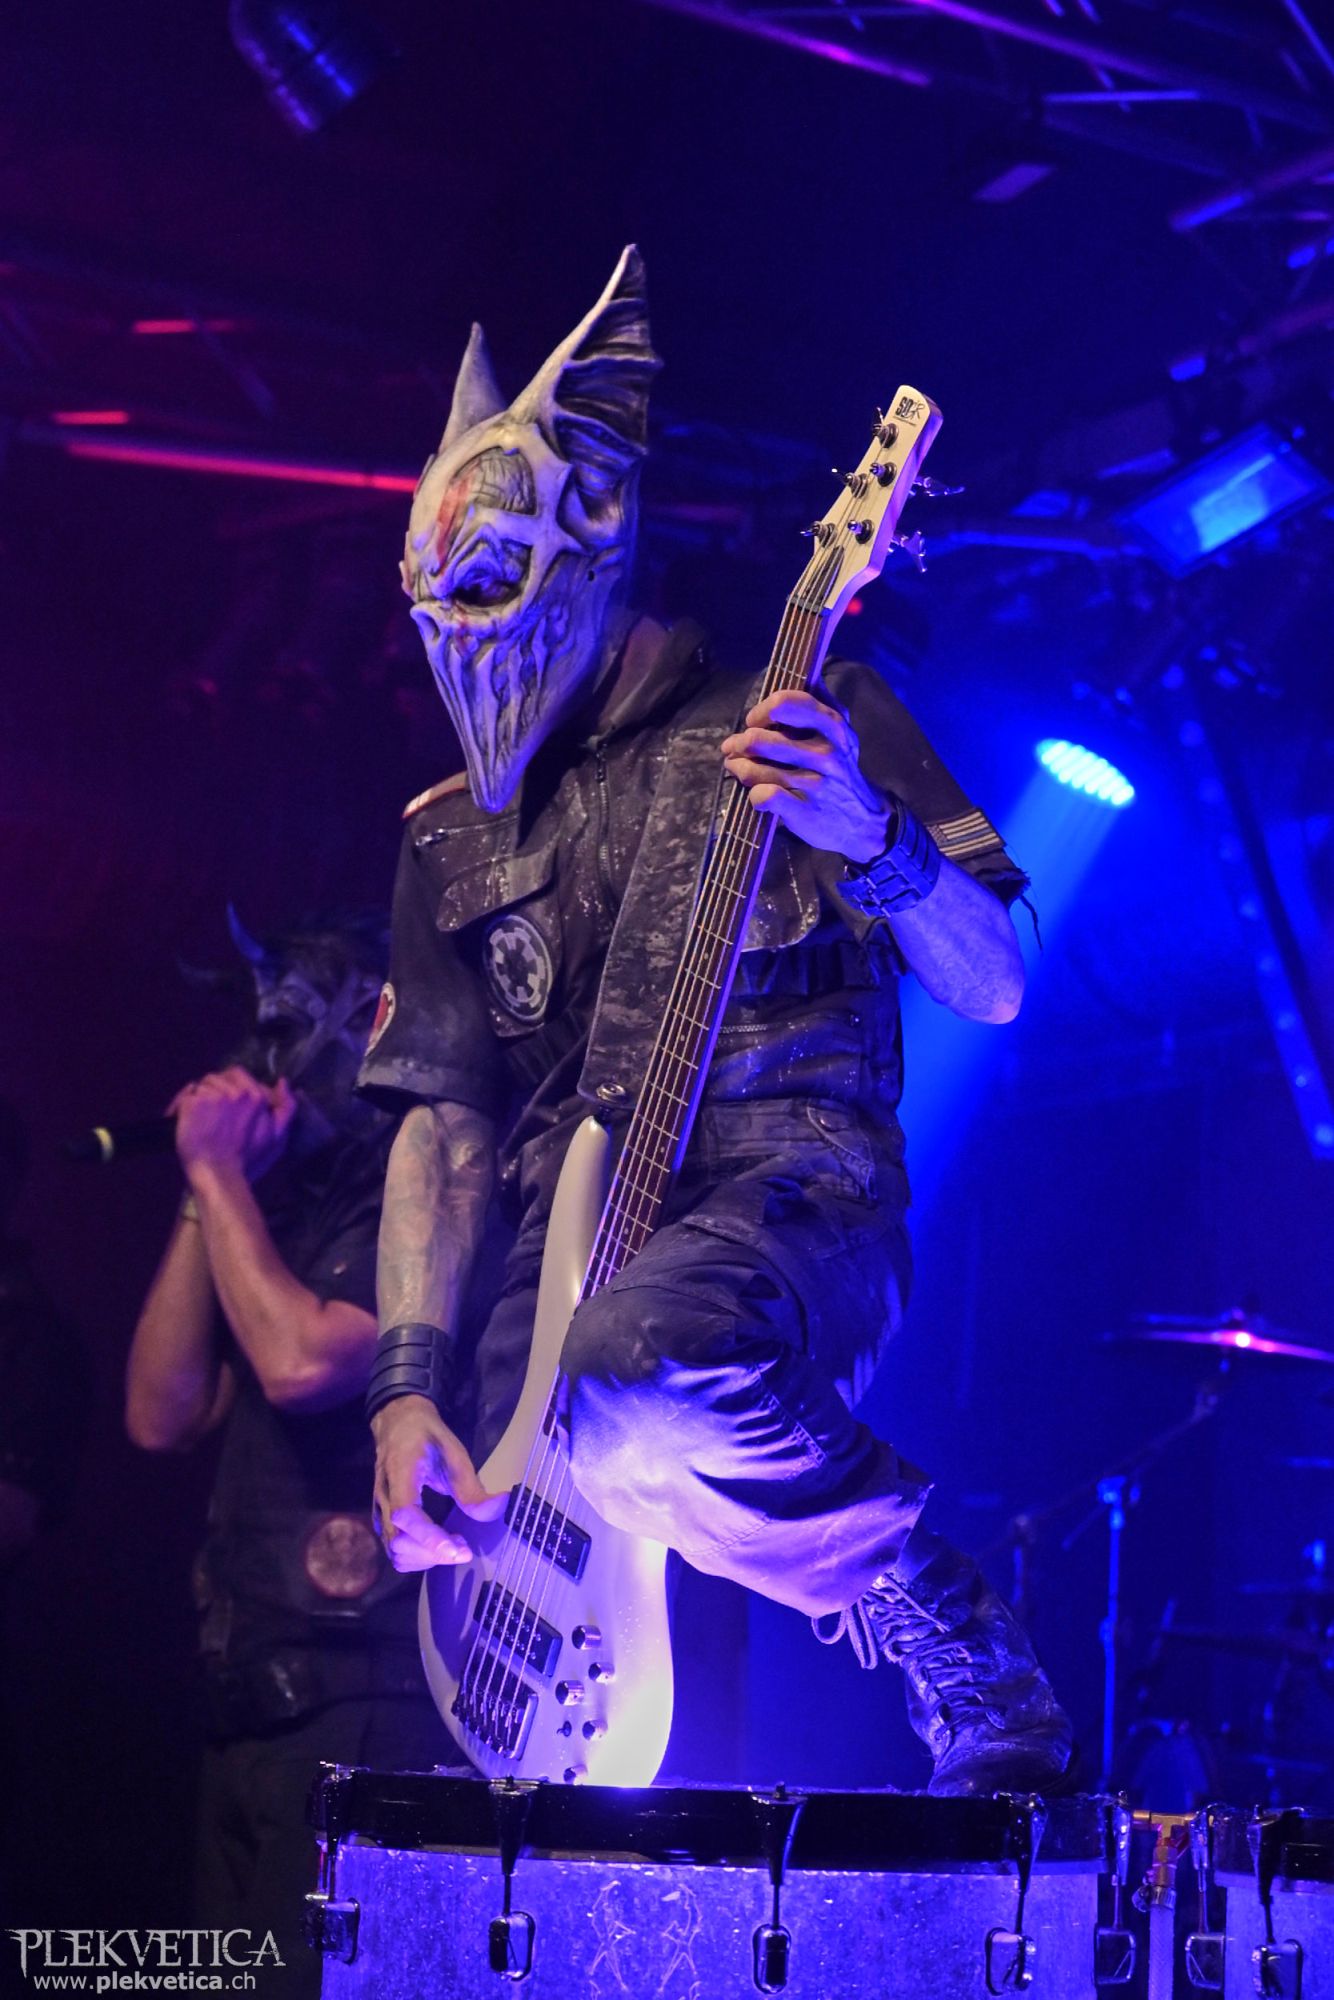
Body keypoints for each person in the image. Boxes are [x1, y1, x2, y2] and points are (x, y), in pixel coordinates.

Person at [358, 248, 1075, 1796]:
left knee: (641, 1364)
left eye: (484, 588)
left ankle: (933, 1610)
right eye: (431, 601)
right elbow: (444, 1124)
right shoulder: (446, 835)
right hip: (557, 1273)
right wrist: (407, 1383)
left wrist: (872, 837)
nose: (458, 637)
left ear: (594, 543)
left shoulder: (808, 717)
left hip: (789, 1197)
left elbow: (997, 982)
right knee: (540, 1738)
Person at [126, 913, 451, 1994]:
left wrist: (218, 1172)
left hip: (359, 1710)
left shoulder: (419, 1194)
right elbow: (161, 1412)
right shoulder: (282, 1211)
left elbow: (303, 1361)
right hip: (247, 1716)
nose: (272, 1061)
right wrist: (205, 1184)